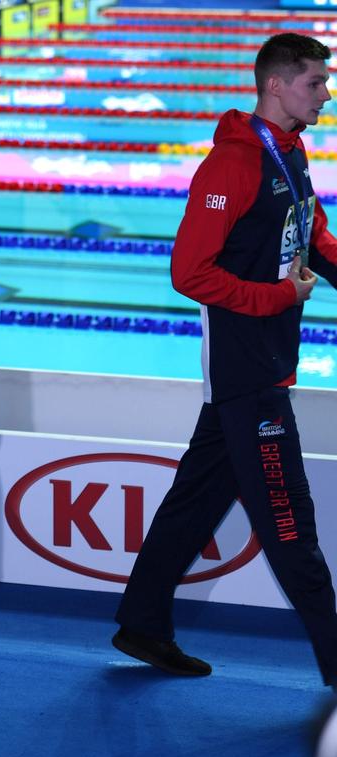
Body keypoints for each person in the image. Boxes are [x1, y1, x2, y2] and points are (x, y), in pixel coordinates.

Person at [113, 33, 337, 687]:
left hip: (265, 366)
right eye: (315, 83)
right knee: (292, 527)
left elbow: (313, 236)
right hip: (249, 377)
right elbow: (189, 271)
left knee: (195, 503)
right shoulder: (232, 167)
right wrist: (272, 299)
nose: (326, 94)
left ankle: (142, 624)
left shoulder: (291, 153)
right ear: (275, 85)